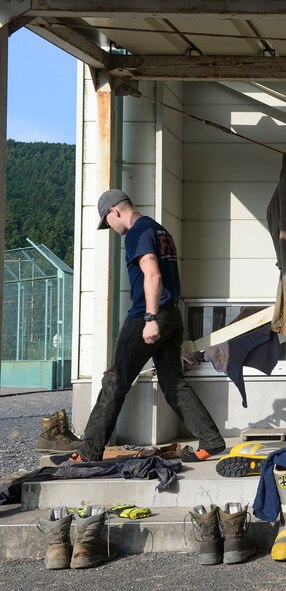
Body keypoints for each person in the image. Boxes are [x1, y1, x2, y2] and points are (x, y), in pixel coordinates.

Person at [67, 189, 226, 462]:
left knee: (115, 380)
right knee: (171, 381)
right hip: (172, 314)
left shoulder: (137, 233)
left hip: (148, 315)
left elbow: (152, 272)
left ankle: (89, 452)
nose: (111, 228)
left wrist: (150, 318)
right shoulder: (159, 229)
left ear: (114, 211)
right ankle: (211, 440)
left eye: (108, 221)